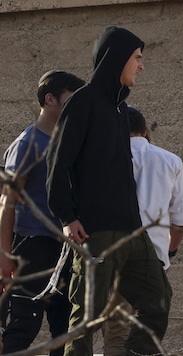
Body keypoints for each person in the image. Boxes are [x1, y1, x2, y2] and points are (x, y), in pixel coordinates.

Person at [46, 26, 172, 355]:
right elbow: (56, 164)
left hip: (132, 232)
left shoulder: (119, 110)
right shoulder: (83, 102)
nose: (141, 66)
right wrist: (67, 217)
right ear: (118, 59)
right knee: (87, 319)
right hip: (94, 233)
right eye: (137, 58)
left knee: (158, 301)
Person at [0, 70, 84, 356]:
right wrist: (3, 253)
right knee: (23, 327)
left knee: (64, 330)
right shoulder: (27, 143)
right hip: (34, 248)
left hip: (66, 250)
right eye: (71, 100)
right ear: (50, 100)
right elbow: (7, 202)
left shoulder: (67, 144)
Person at [101, 105, 183, 355]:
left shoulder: (102, 159)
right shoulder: (170, 161)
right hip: (153, 261)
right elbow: (181, 222)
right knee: (150, 324)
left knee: (116, 332)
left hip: (114, 257)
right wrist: (168, 253)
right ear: (144, 130)